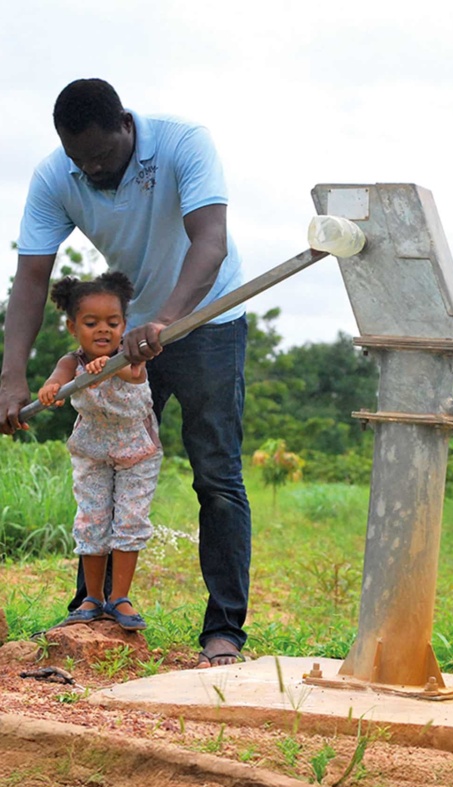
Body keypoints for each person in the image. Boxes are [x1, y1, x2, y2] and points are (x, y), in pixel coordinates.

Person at [0, 78, 252, 668]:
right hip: (122, 338)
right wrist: (12, 376)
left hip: (208, 319)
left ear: (125, 127)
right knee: (105, 464)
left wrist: (165, 320)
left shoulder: (182, 143)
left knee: (216, 474)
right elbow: (33, 277)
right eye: (78, 160)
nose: (92, 170)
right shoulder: (54, 176)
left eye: (102, 157)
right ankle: (97, 605)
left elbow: (209, 242)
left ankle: (223, 631)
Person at [39, 272, 162, 631]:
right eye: (91, 323)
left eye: (113, 322)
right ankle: (92, 598)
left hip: (136, 451)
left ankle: (119, 598)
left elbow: (133, 375)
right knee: (91, 520)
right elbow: (58, 380)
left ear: (125, 324)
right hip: (92, 449)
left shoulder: (128, 354)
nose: (103, 330)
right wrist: (51, 388)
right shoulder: (72, 361)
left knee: (129, 521)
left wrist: (107, 368)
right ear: (72, 327)